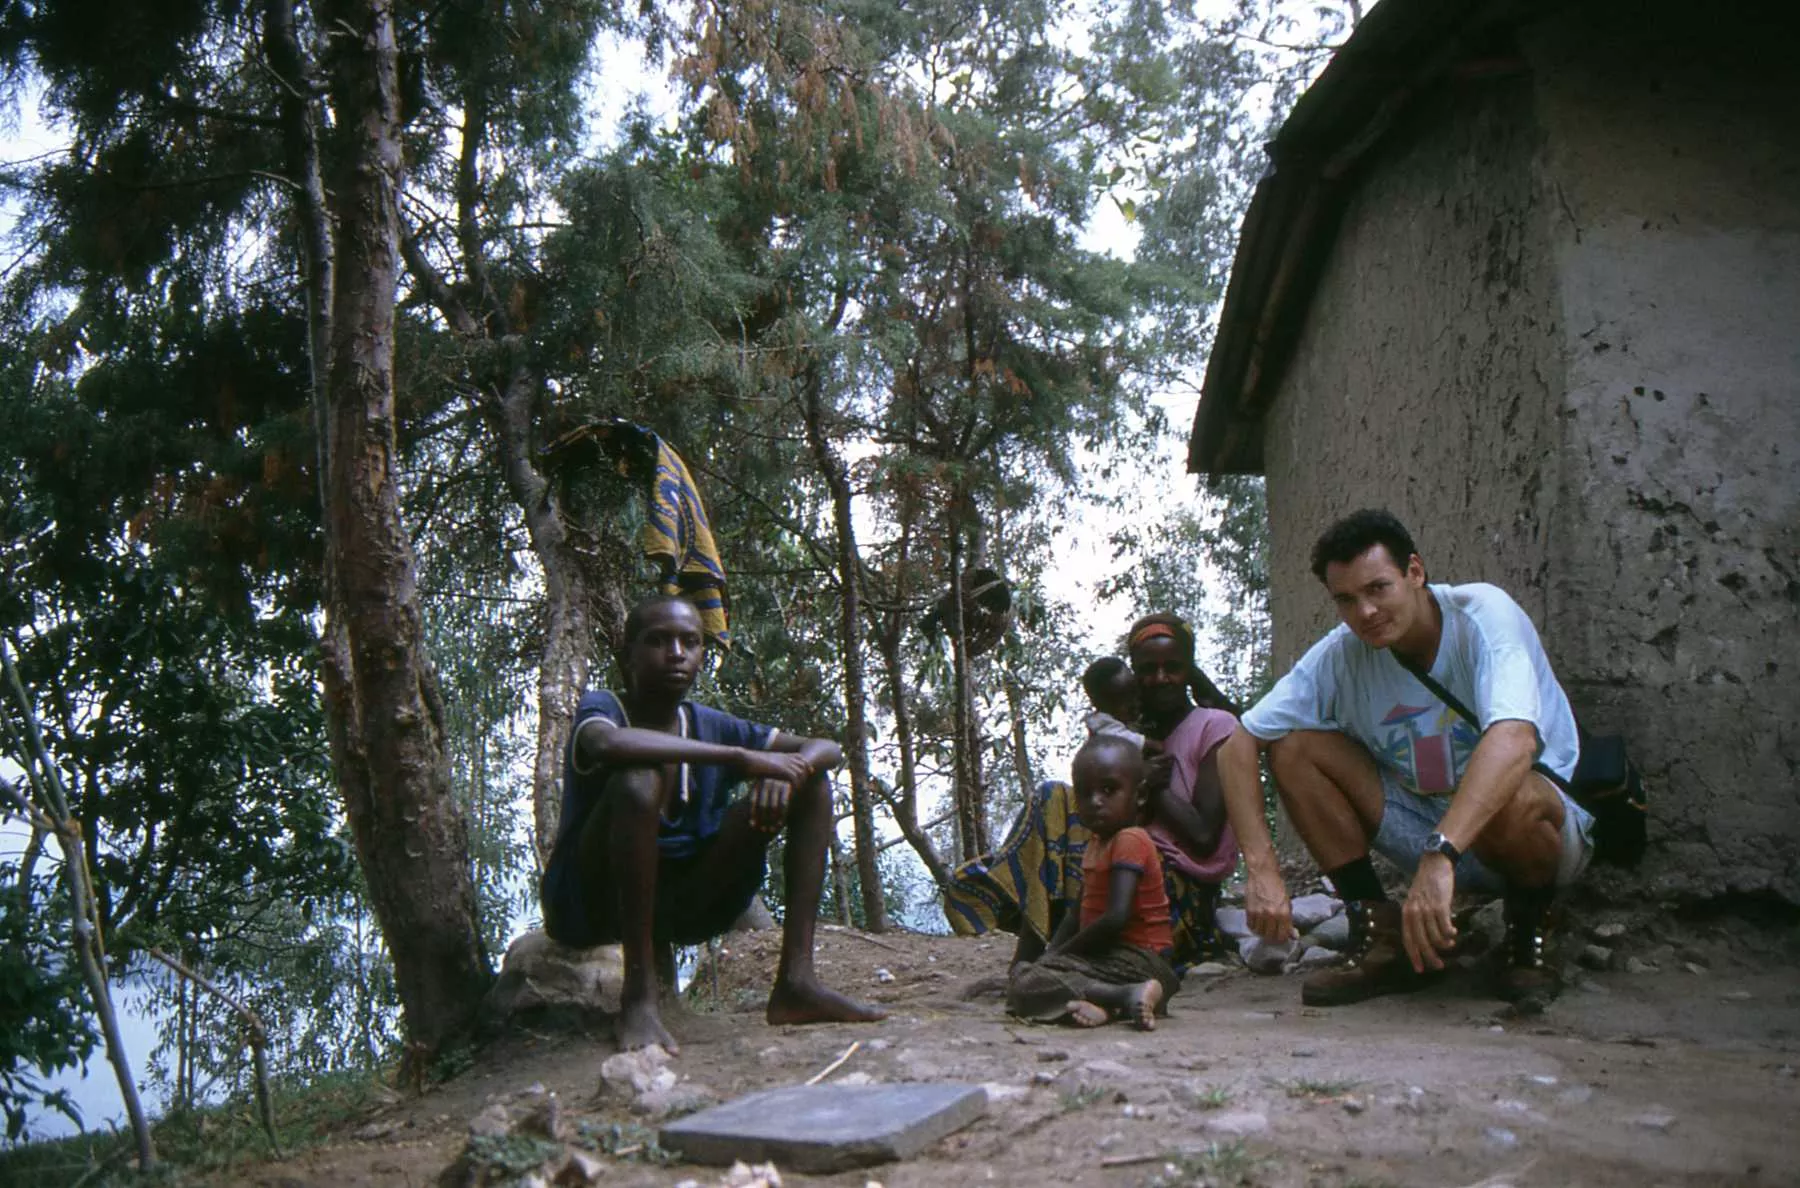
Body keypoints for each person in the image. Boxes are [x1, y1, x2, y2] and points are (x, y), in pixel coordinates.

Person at [1215, 509, 1594, 1006]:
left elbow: (1515, 740)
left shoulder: (1483, 615)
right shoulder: (1341, 656)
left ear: (1414, 572)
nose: (1366, 612)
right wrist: (1262, 869)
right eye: (1346, 600)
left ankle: (1528, 936)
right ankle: (1379, 936)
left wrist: (1440, 856)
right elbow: (1238, 744)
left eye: (1378, 588)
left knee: (1512, 788)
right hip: (1430, 826)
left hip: (1530, 832)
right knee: (1294, 747)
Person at [539, 594, 884, 1052]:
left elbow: (827, 747)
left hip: (685, 903)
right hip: (592, 904)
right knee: (638, 780)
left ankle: (796, 983)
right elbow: (606, 745)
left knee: (813, 785)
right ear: (628, 655)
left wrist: (790, 771)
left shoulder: (707, 723)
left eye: (690, 642)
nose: (676, 653)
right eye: (658, 641)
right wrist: (744, 758)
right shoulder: (604, 707)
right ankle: (638, 1000)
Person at [944, 613, 1240, 972]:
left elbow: (1204, 837)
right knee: (1053, 798)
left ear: (1189, 670)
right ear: (1134, 675)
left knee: (1109, 843)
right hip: (1116, 867)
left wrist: (1145, 782)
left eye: (1173, 668)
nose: (1161, 678)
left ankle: (1043, 961)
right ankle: (1031, 956)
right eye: (1148, 670)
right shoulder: (1128, 730)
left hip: (1173, 897)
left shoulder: (1216, 726)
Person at [1006, 735, 1179, 1030]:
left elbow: (1115, 918)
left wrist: (1063, 954)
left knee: (1027, 985)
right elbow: (1076, 914)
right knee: (1026, 973)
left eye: (1109, 790)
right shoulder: (1098, 843)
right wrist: (1050, 956)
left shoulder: (1130, 839)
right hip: (1111, 961)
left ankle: (1121, 995)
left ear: (1139, 795)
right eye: (1085, 794)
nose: (1096, 802)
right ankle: (1113, 1004)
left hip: (1141, 961)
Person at [1081, 656, 1151, 753]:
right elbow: (1129, 741)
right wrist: (1158, 746)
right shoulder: (1101, 723)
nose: (1134, 702)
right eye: (1121, 699)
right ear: (1099, 704)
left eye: (1134, 691)